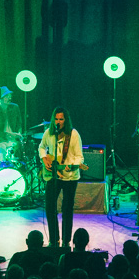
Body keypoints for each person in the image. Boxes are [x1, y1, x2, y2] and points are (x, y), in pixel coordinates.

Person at [39, 106, 84, 248]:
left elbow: (79, 157)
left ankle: (66, 241)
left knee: (67, 208)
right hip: (53, 176)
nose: (58, 122)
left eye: (61, 119)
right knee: (50, 207)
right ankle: (54, 240)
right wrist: (44, 158)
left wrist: (71, 165)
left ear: (66, 120)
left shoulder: (73, 134)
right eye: (56, 119)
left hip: (70, 177)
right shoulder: (49, 133)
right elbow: (41, 147)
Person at [0, 85, 23, 163]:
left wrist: (18, 135)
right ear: (0, 98)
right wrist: (8, 135)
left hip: (14, 139)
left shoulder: (15, 107)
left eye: (10, 95)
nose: (9, 98)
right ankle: (2, 169)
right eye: (6, 96)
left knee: (23, 150)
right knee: (1, 151)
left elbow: (19, 124)